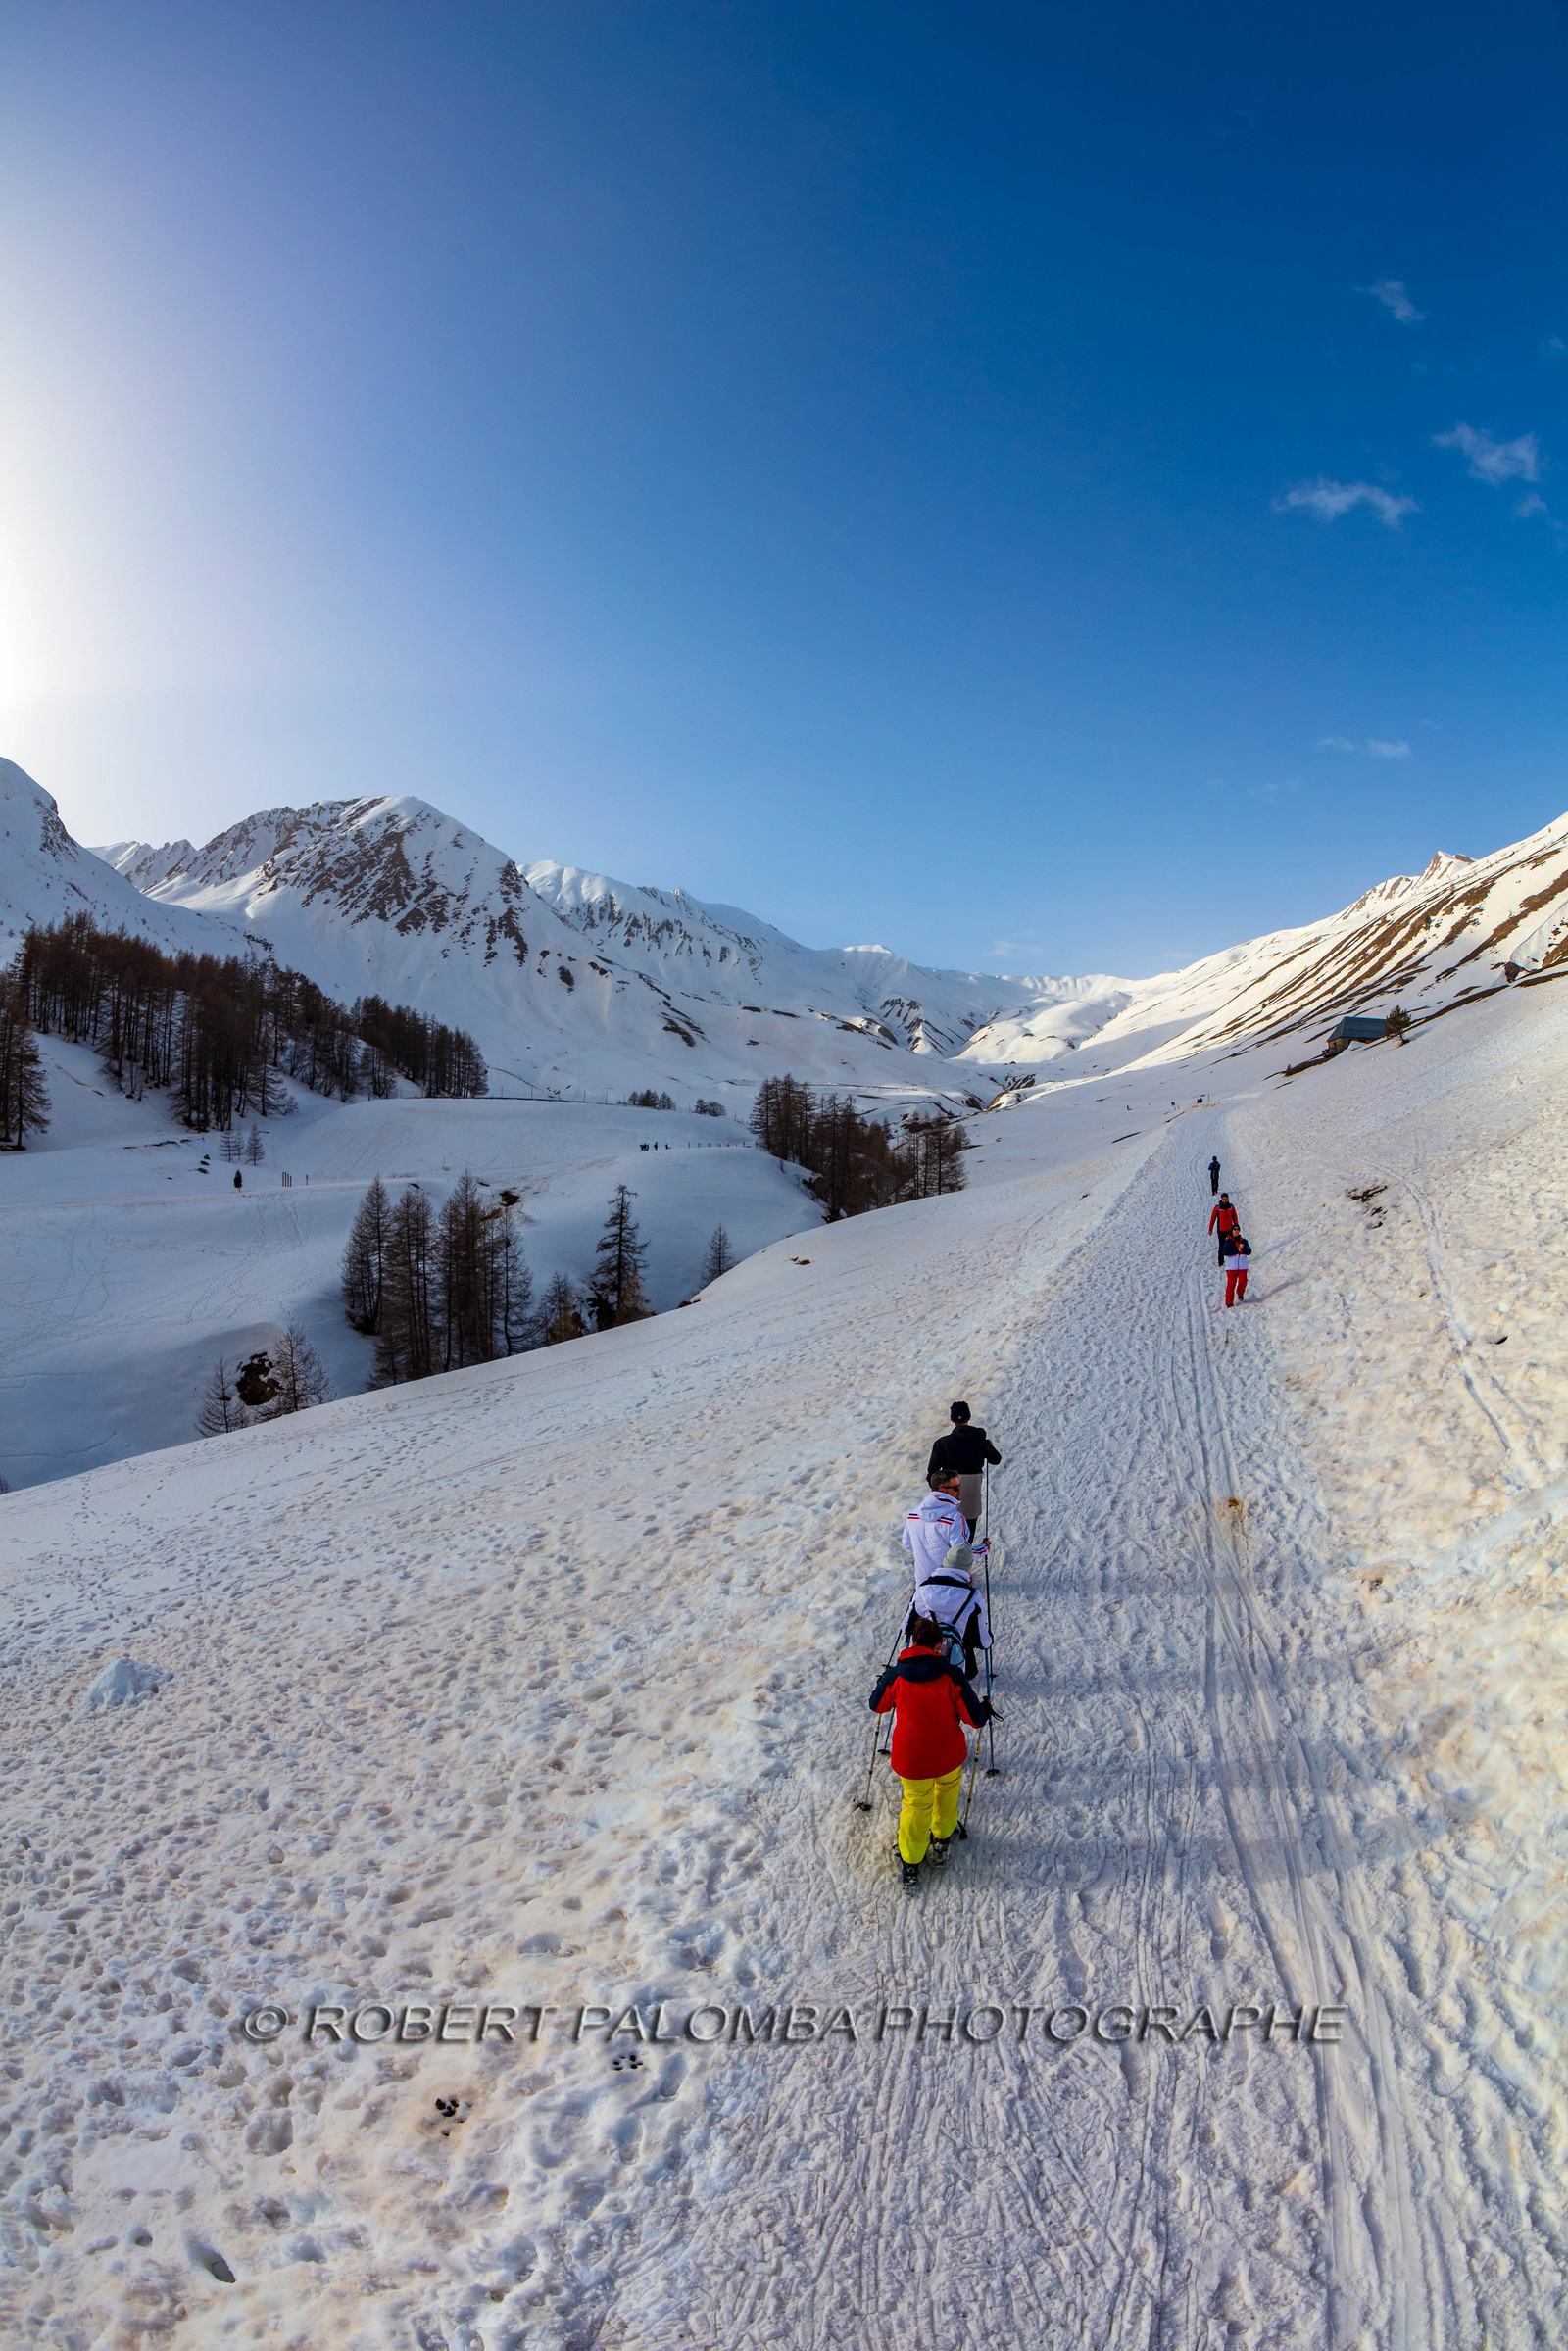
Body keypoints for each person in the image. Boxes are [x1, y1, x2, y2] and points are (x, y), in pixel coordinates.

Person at [869, 1612, 992, 1891]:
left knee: (916, 1804)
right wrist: (985, 1708)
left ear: (913, 1642)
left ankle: (911, 1860)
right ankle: (941, 1840)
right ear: (940, 1646)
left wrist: (883, 1682)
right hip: (948, 1756)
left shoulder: (896, 1675)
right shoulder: (952, 1675)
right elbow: (975, 1719)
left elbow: (877, 1705)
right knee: (947, 1793)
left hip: (911, 1759)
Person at [907, 1539, 992, 1681]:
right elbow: (983, 1642)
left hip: (922, 1663)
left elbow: (907, 1627)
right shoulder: (973, 1596)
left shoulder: (922, 1589)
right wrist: (989, 1639)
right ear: (968, 1568)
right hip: (957, 1668)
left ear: (945, 1561)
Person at [925, 1402, 1002, 1537]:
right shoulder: (980, 1441)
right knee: (967, 1534)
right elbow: (996, 1459)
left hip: (949, 1493)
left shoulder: (942, 1443)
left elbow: (932, 1473)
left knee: (948, 1534)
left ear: (952, 1420)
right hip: (972, 1493)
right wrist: (988, 1446)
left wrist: (938, 1492)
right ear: (969, 1418)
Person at [903, 1472, 969, 1581]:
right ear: (942, 1490)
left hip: (922, 1584)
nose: (960, 1490)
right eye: (956, 1488)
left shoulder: (912, 1514)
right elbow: (961, 1555)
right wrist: (983, 1548)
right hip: (948, 1583)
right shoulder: (955, 1518)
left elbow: (907, 1544)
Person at [1208, 1191, 1239, 1264]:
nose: (1225, 1200)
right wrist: (1210, 1229)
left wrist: (1236, 1228)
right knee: (1221, 1246)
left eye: (1226, 1199)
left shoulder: (1231, 1207)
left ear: (1228, 1199)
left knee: (1231, 1245)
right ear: (1221, 1199)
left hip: (1230, 1230)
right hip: (1221, 1230)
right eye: (1223, 1199)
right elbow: (1213, 1218)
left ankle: (1232, 1261)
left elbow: (1235, 1217)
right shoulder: (1217, 1207)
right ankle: (1220, 1262)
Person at [1223, 1234, 1251, 1306]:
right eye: (1234, 1229)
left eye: (1237, 1229)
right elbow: (1225, 1252)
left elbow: (1249, 1251)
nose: (1236, 1231)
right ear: (1232, 1231)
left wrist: (1243, 1248)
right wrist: (1236, 1250)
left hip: (1242, 1265)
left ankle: (1240, 1293)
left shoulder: (1244, 1241)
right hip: (1231, 1266)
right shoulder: (1228, 1241)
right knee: (1231, 1284)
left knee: (1243, 1281)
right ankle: (1229, 1302)